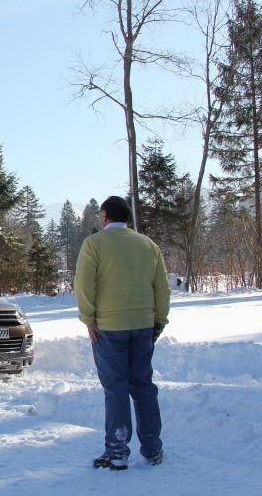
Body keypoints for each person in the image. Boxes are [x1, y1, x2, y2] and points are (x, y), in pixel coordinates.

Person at [73, 196, 169, 471]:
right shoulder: (148, 245)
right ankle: (153, 448)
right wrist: (159, 320)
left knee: (116, 388)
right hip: (143, 324)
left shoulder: (95, 244)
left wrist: (88, 318)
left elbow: (83, 283)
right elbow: (161, 287)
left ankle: (117, 450)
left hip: (109, 326)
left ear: (104, 216)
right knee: (143, 385)